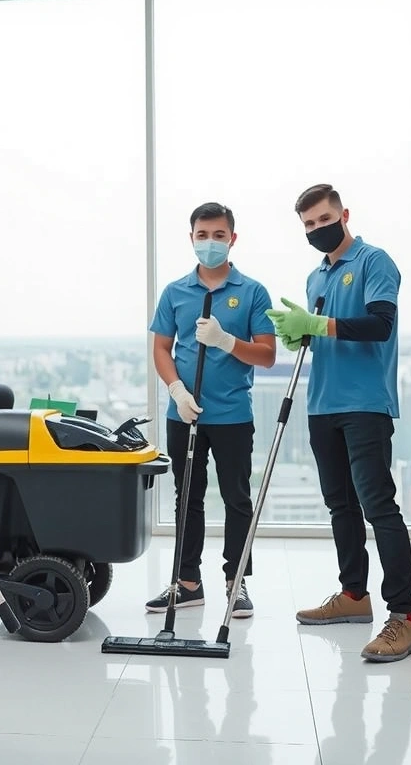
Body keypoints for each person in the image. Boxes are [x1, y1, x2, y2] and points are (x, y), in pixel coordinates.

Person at [266, 182, 411, 663]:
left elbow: (380, 325)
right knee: (341, 507)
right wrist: (301, 338)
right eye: (308, 224)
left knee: (378, 507)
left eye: (323, 219)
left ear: (344, 214)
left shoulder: (374, 262)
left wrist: (318, 326)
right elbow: (323, 334)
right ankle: (354, 596)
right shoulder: (316, 277)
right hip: (322, 405)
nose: (317, 229)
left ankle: (404, 618)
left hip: (365, 404)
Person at [146, 202, 276, 617]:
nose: (210, 243)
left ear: (232, 239)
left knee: (237, 498)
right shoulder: (175, 292)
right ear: (191, 239)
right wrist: (177, 391)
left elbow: (268, 355)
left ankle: (236, 583)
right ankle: (187, 583)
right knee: (188, 497)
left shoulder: (252, 292)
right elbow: (161, 348)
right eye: (202, 235)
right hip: (185, 412)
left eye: (219, 235)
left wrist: (225, 342)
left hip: (233, 414)